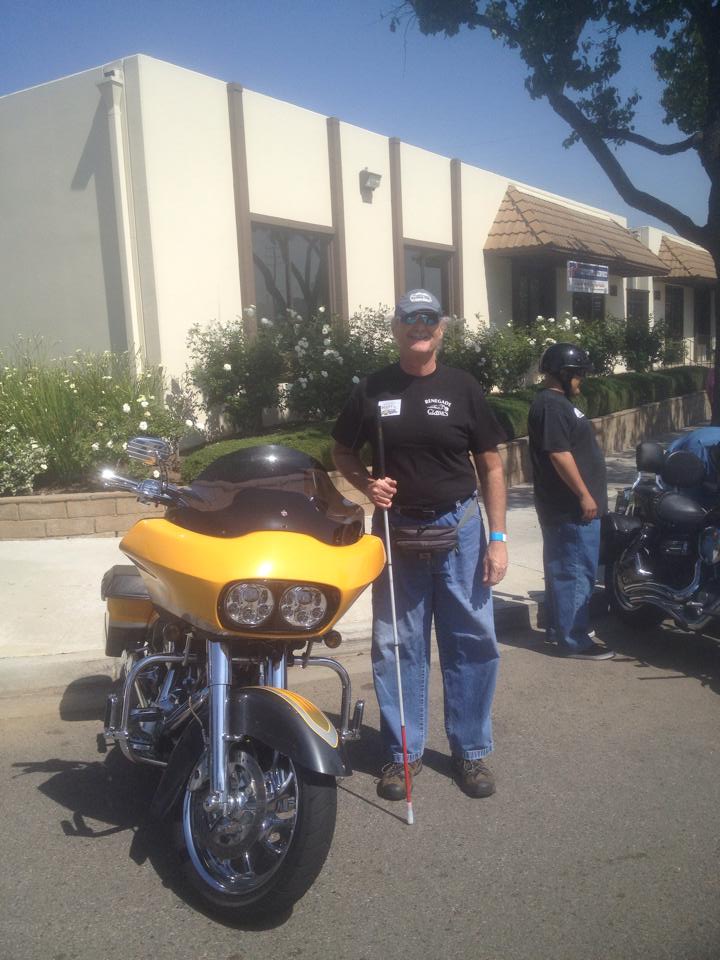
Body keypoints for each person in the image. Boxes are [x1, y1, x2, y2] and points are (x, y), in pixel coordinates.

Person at [331, 288, 508, 801]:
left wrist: (497, 539)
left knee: (472, 641)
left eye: (429, 318)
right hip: (396, 529)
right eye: (411, 318)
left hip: (462, 530)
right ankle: (401, 754)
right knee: (397, 644)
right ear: (396, 325)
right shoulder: (371, 388)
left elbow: (491, 467)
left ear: (442, 328)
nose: (420, 326)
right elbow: (341, 450)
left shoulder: (464, 387)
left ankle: (471, 752)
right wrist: (366, 484)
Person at [528, 342, 614, 661]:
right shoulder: (552, 405)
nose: (581, 381)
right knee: (576, 570)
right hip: (570, 508)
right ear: (563, 374)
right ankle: (574, 638)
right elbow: (559, 454)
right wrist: (583, 495)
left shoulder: (557, 403)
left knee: (563, 569)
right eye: (578, 375)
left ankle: (559, 628)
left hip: (565, 508)